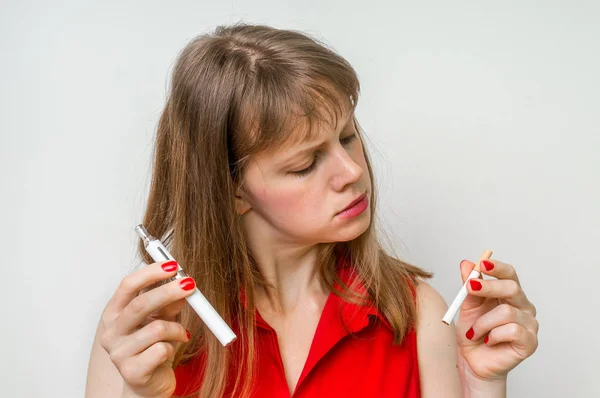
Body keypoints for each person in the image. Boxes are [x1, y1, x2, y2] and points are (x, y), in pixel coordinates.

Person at [85, 22, 539, 398]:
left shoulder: (417, 316)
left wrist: (484, 382)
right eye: (305, 164)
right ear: (231, 192)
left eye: (346, 137)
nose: (351, 171)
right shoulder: (146, 334)